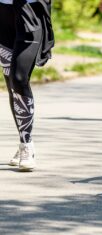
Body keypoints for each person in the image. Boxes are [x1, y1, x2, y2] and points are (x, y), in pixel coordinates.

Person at [0, 0, 54, 171]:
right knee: (11, 83)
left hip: (29, 14)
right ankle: (23, 142)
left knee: (18, 78)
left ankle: (26, 145)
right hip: (3, 15)